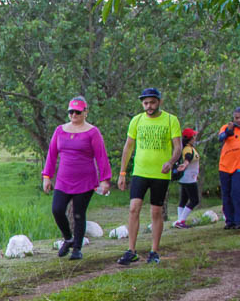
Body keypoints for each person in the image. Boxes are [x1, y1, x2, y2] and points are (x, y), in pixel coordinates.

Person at [116, 88, 182, 264]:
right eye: (146, 103)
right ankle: (131, 250)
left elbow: (178, 147)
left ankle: (154, 251)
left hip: (160, 174)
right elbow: (128, 147)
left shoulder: (170, 120)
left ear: (159, 102)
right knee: (133, 208)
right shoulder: (137, 120)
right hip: (140, 172)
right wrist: (122, 172)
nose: (149, 106)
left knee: (156, 211)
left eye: (152, 102)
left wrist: (171, 162)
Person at [41, 96, 111, 260]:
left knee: (79, 214)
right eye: (71, 111)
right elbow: (52, 154)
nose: (74, 115)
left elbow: (101, 157)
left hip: (85, 180)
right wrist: (47, 176)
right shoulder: (60, 130)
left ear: (85, 112)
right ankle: (68, 238)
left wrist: (105, 179)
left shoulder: (92, 132)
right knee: (57, 209)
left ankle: (77, 249)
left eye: (78, 112)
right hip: (63, 180)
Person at [172, 128, 200, 228]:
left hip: (185, 178)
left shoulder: (186, 147)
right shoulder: (188, 149)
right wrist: (185, 164)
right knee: (194, 200)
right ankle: (181, 221)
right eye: (194, 136)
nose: (195, 137)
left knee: (184, 199)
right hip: (189, 179)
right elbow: (188, 158)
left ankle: (179, 221)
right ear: (191, 138)